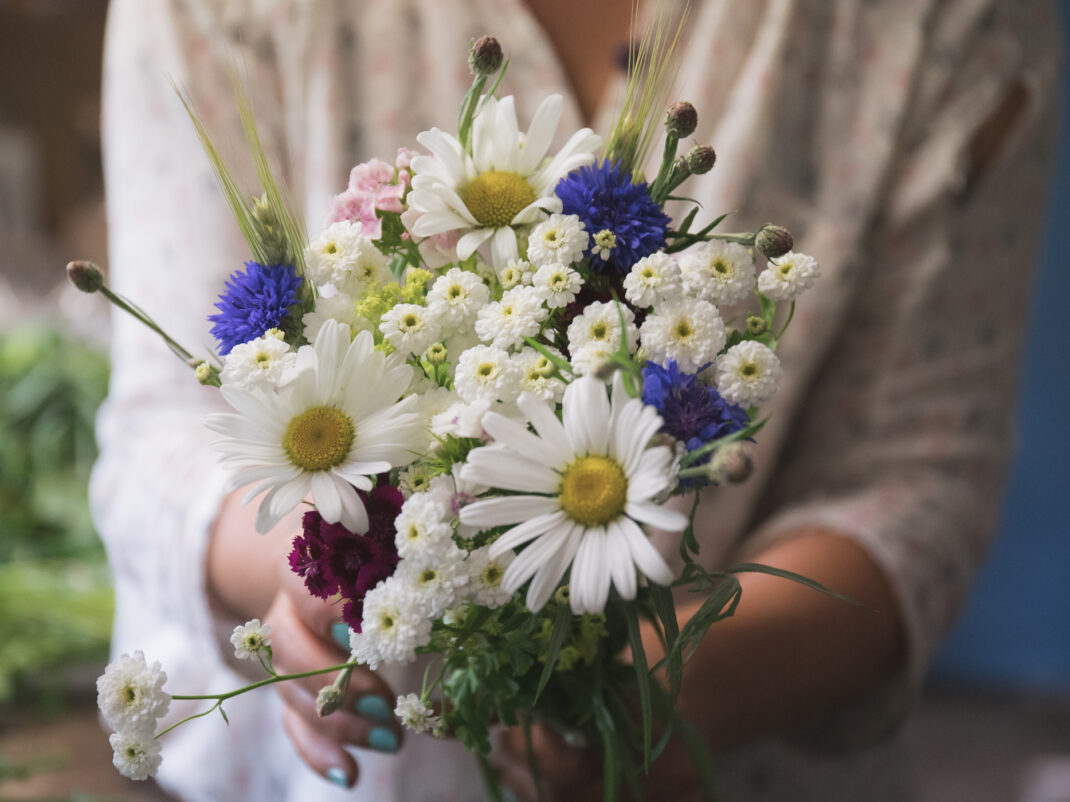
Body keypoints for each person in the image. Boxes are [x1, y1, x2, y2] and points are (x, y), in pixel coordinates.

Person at [91, 0, 1060, 800]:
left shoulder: (943, 22)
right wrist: (306, 572)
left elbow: (916, 470)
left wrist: (660, 690)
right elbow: (162, 428)